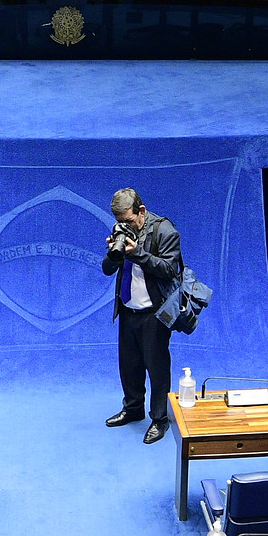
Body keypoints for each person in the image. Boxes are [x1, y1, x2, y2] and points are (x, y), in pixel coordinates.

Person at [101, 187, 182, 445]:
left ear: (141, 211)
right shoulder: (122, 230)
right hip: (128, 309)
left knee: (157, 368)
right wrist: (114, 252)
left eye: (127, 220)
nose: (123, 225)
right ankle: (133, 408)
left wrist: (136, 253)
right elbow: (106, 269)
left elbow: (169, 269)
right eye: (118, 221)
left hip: (154, 314)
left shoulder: (164, 231)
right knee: (129, 365)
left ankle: (160, 419)